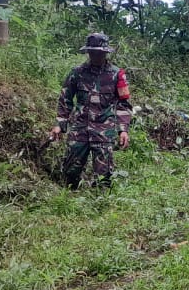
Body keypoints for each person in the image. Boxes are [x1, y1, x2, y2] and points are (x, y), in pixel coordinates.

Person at [50, 33, 132, 189]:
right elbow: (65, 99)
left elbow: (123, 104)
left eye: (99, 53)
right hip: (79, 129)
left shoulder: (117, 75)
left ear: (106, 53)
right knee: (70, 172)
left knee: (104, 176)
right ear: (88, 52)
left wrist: (123, 130)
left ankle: (102, 200)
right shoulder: (77, 72)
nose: (96, 56)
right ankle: (69, 197)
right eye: (92, 52)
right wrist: (59, 124)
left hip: (104, 131)